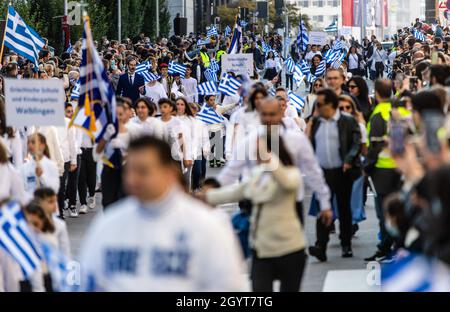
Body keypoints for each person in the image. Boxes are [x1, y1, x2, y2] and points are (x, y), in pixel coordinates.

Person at [79, 135, 245, 291]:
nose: (132, 180)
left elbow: (228, 287)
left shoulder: (206, 225)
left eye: (143, 171)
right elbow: (89, 280)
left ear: (169, 172)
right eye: (129, 171)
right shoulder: (108, 223)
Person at [205, 132, 306, 292]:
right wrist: (203, 197)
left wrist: (270, 159)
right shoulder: (257, 175)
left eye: (260, 151)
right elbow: (234, 192)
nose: (256, 155)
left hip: (289, 248)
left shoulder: (291, 172)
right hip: (261, 249)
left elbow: (288, 183)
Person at [218, 97, 333, 230]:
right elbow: (231, 172)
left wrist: (325, 204)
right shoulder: (250, 140)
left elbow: (313, 172)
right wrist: (211, 192)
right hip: (262, 203)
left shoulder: (296, 140)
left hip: (291, 203)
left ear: (281, 113)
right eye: (264, 114)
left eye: (272, 114)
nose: (268, 118)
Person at [308, 89, 361, 261]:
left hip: (342, 170)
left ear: (330, 105)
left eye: (320, 104)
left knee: (344, 209)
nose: (317, 107)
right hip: (322, 172)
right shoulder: (317, 122)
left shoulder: (347, 120)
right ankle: (320, 245)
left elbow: (356, 142)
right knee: (323, 207)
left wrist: (349, 159)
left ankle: (346, 244)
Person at [364, 79, 410, 262]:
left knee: (385, 214)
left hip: (382, 170)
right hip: (402, 168)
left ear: (377, 93)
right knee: (400, 209)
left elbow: (373, 145)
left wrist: (367, 167)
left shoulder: (378, 114)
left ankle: (387, 247)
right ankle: (392, 246)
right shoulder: (404, 111)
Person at [19, 133, 60, 203]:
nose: (30, 145)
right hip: (31, 208)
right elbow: (21, 191)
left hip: (47, 209)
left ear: (42, 145)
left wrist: (42, 176)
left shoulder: (51, 165)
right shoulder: (24, 167)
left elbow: (55, 189)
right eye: (28, 142)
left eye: (33, 142)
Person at [33, 188, 71, 258]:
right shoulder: (30, 224)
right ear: (38, 203)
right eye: (50, 202)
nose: (55, 205)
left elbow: (65, 251)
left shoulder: (60, 225)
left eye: (55, 201)